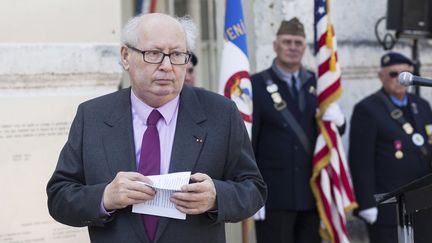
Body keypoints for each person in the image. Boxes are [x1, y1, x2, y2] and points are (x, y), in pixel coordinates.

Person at [46, 13, 266, 243]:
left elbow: (254, 189)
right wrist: (105, 197)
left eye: (177, 54)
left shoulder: (221, 114)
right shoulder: (92, 116)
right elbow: (59, 196)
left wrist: (216, 197)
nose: (167, 66)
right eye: (154, 54)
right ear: (125, 56)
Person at [250, 17, 345, 243]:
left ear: (305, 48)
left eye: (298, 42)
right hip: (274, 194)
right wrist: (251, 190)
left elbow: (329, 139)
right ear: (276, 45)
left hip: (312, 192)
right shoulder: (256, 85)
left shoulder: (319, 84)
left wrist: (339, 123)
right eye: (287, 41)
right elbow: (249, 142)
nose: (293, 47)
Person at [349, 52, 432, 243]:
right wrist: (366, 203)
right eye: (394, 74)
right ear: (381, 76)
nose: (400, 79)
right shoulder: (368, 109)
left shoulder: (422, 105)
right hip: (389, 206)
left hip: (422, 203)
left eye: (405, 73)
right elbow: (360, 161)